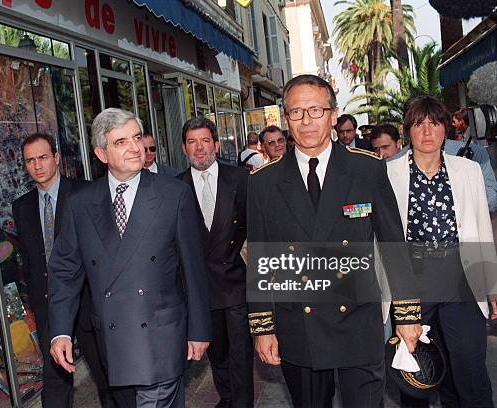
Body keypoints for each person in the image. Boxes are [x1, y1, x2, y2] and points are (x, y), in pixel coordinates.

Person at [247, 74, 421, 407]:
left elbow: (392, 245)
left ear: (332, 114)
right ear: (286, 120)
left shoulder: (366, 169)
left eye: (315, 110)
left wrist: (408, 316)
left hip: (358, 321)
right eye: (296, 112)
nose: (306, 120)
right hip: (298, 323)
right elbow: (260, 259)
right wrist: (263, 327)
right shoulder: (264, 182)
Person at [48, 108, 211, 407]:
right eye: (121, 141)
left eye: (136, 137)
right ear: (101, 153)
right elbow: (64, 271)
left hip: (160, 336)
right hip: (112, 342)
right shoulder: (80, 204)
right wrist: (60, 332)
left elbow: (193, 269)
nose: (135, 147)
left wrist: (199, 329)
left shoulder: (173, 193)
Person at [386, 96, 497, 407]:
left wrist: (491, 286)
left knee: (470, 369)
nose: (427, 131)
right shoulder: (387, 175)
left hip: (460, 277)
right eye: (419, 124)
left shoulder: (468, 170)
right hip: (412, 281)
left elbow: (480, 228)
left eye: (434, 123)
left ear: (446, 128)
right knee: (416, 376)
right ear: (407, 130)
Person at [12, 133, 112, 408]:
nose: (37, 166)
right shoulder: (21, 207)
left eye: (43, 157)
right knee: (55, 381)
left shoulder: (86, 193)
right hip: (50, 307)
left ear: (56, 158)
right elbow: (30, 262)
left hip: (90, 302)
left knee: (107, 376)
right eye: (30, 161)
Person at [178, 117, 253, 408]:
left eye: (205, 141)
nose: (199, 149)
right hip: (202, 290)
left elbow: (254, 229)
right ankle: (228, 399)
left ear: (216, 145)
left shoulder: (241, 179)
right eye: (192, 142)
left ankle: (242, 403)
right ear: (184, 148)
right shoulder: (176, 188)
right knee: (217, 353)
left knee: (241, 353)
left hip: (238, 284)